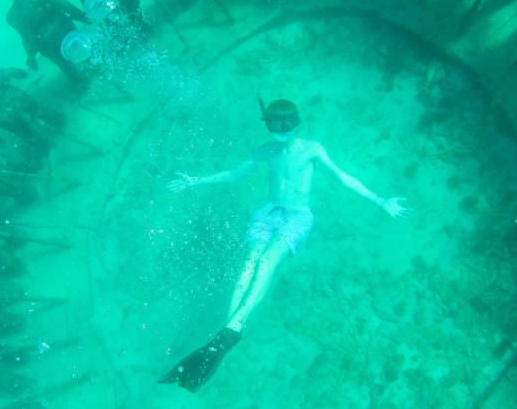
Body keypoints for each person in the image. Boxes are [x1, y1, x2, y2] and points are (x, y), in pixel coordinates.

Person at [158, 97, 410, 391]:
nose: (282, 128)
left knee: (266, 262)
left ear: (296, 122)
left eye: (287, 122)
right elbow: (232, 175)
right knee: (249, 263)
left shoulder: (312, 150)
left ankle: (233, 327)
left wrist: (380, 201)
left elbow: (343, 178)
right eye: (275, 123)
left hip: (298, 218)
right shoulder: (266, 151)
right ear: (267, 124)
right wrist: (194, 181)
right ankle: (228, 331)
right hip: (268, 213)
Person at [0, 0, 90, 88]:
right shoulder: (13, 16)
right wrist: (30, 57)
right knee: (72, 68)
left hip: (63, 34)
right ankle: (79, 81)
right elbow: (27, 38)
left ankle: (80, 79)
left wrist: (82, 16)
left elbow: (62, 4)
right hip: (51, 44)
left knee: (80, 60)